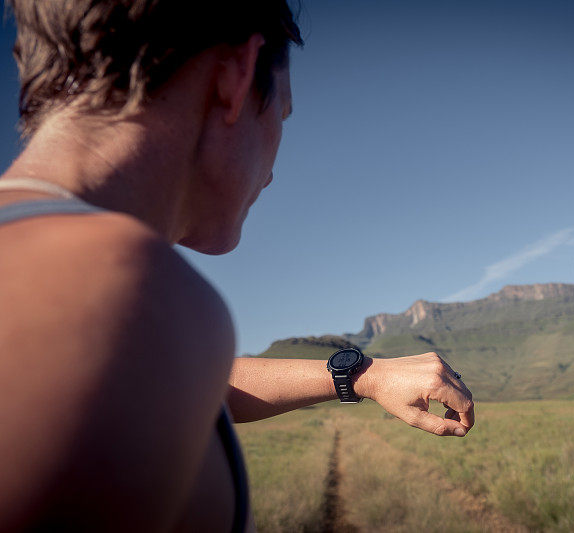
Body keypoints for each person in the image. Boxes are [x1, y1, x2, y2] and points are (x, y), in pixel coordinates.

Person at [0, 1, 475, 531]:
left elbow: (188, 382)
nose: (272, 174)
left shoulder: (74, 296)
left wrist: (364, 376)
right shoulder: (134, 290)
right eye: (283, 114)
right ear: (236, 75)